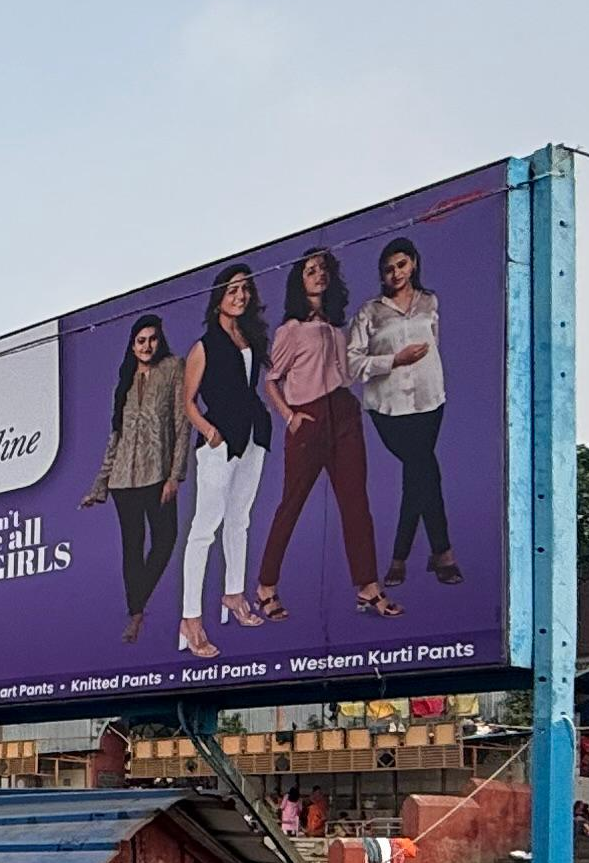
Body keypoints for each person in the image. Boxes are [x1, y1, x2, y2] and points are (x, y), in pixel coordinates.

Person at [257, 245, 390, 622]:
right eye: (310, 270)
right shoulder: (291, 330)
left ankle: (367, 586)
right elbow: (272, 380)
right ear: (299, 280)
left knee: (355, 502)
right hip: (309, 417)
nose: (318, 274)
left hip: (344, 412)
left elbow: (348, 374)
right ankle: (266, 584)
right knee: (292, 503)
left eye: (323, 269)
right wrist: (290, 416)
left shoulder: (337, 329)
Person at [175, 263, 270, 659]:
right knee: (204, 529)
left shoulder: (250, 337)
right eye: (233, 290)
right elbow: (188, 401)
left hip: (252, 435)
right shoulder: (205, 345)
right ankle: (191, 619)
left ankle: (234, 594)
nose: (240, 296)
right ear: (219, 296)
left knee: (240, 520)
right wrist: (210, 432)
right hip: (218, 441)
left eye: (245, 290)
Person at [350, 235, 456, 586]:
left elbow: (434, 344)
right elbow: (351, 365)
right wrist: (394, 360)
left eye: (401, 265)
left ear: (413, 264)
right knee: (425, 470)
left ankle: (400, 559)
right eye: (388, 269)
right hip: (389, 407)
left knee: (419, 475)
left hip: (429, 400)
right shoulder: (370, 311)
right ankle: (441, 552)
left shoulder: (429, 301)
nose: (396, 273)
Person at [78, 312, 185, 644]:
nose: (147, 346)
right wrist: (99, 485)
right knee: (132, 548)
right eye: (140, 340)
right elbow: (116, 437)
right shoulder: (125, 379)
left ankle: (139, 602)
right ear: (132, 344)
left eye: (152, 339)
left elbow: (181, 424)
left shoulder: (172, 369)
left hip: (157, 475)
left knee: (166, 539)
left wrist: (175, 476)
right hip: (124, 480)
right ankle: (135, 615)